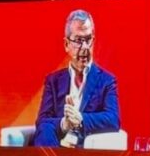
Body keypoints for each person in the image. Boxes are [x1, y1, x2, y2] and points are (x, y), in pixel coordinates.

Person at [33, 9, 121, 148]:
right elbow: (42, 121)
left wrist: (80, 119)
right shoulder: (53, 81)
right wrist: (64, 124)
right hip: (56, 144)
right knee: (44, 129)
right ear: (66, 44)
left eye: (88, 40)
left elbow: (113, 120)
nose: (85, 47)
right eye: (79, 40)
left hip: (84, 149)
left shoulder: (107, 81)